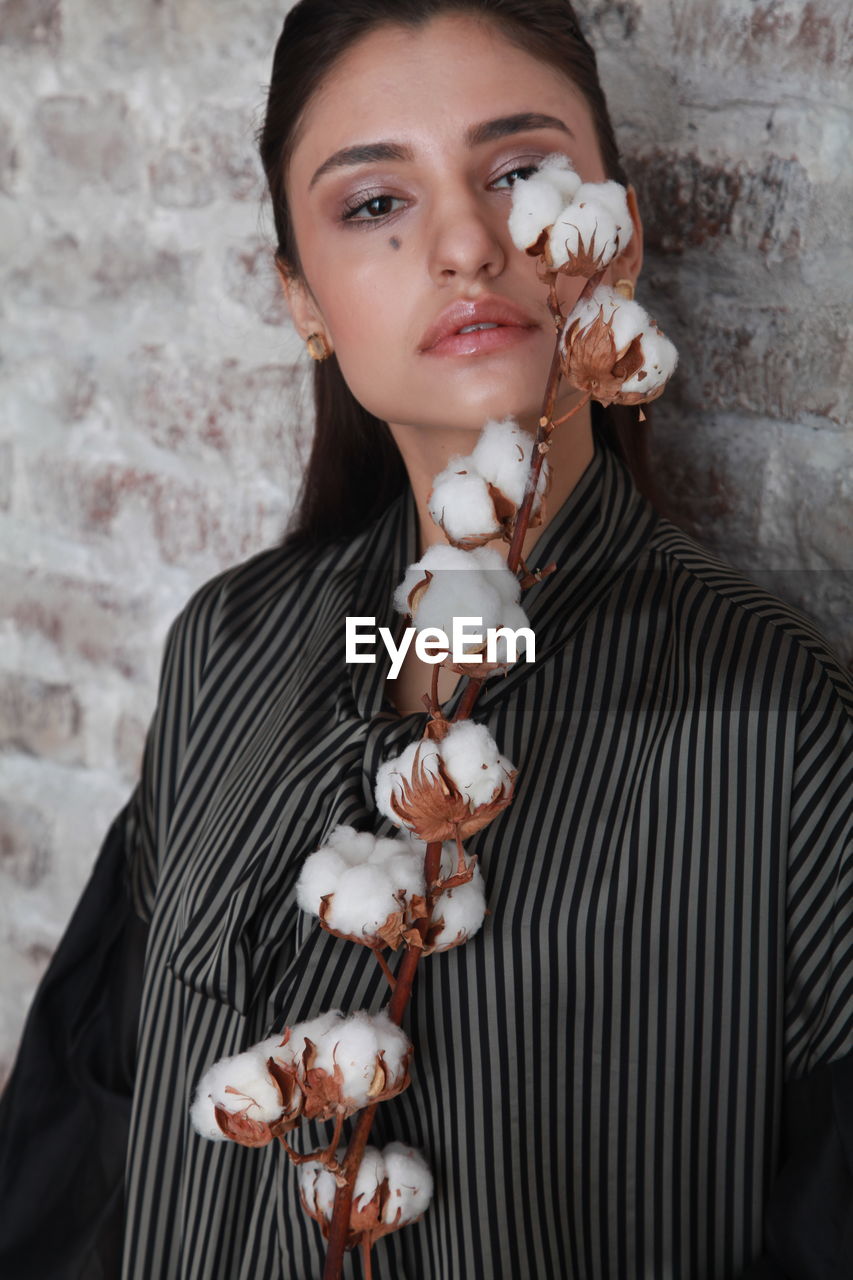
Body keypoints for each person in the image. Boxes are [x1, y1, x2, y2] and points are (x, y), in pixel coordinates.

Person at [1, 2, 850, 1277]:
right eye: (373, 205)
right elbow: (82, 1154)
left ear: (613, 228)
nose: (465, 241)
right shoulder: (232, 646)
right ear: (301, 297)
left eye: (518, 174)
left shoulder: (771, 715)